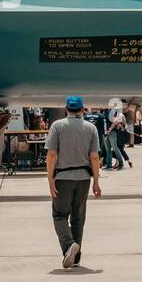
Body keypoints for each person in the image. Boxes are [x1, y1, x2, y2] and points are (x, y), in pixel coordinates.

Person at [46, 96, 102, 268]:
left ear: (66, 109)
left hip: (63, 178)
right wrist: (96, 182)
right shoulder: (91, 128)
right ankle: (76, 258)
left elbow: (52, 154)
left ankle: (69, 245)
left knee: (59, 215)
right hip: (84, 178)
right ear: (82, 109)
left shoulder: (57, 126)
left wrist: (50, 179)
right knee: (78, 218)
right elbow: (94, 156)